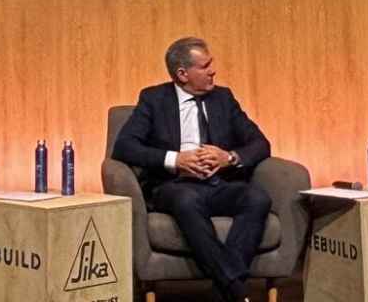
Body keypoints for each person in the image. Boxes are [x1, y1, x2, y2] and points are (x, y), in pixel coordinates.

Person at [112, 36, 274, 302]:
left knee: (257, 198)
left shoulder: (223, 98)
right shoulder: (154, 99)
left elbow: (260, 144)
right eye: (205, 66)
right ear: (182, 74)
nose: (213, 71)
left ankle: (225, 290)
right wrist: (176, 160)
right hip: (174, 186)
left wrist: (229, 157)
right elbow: (125, 147)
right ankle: (235, 290)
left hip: (220, 184)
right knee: (187, 200)